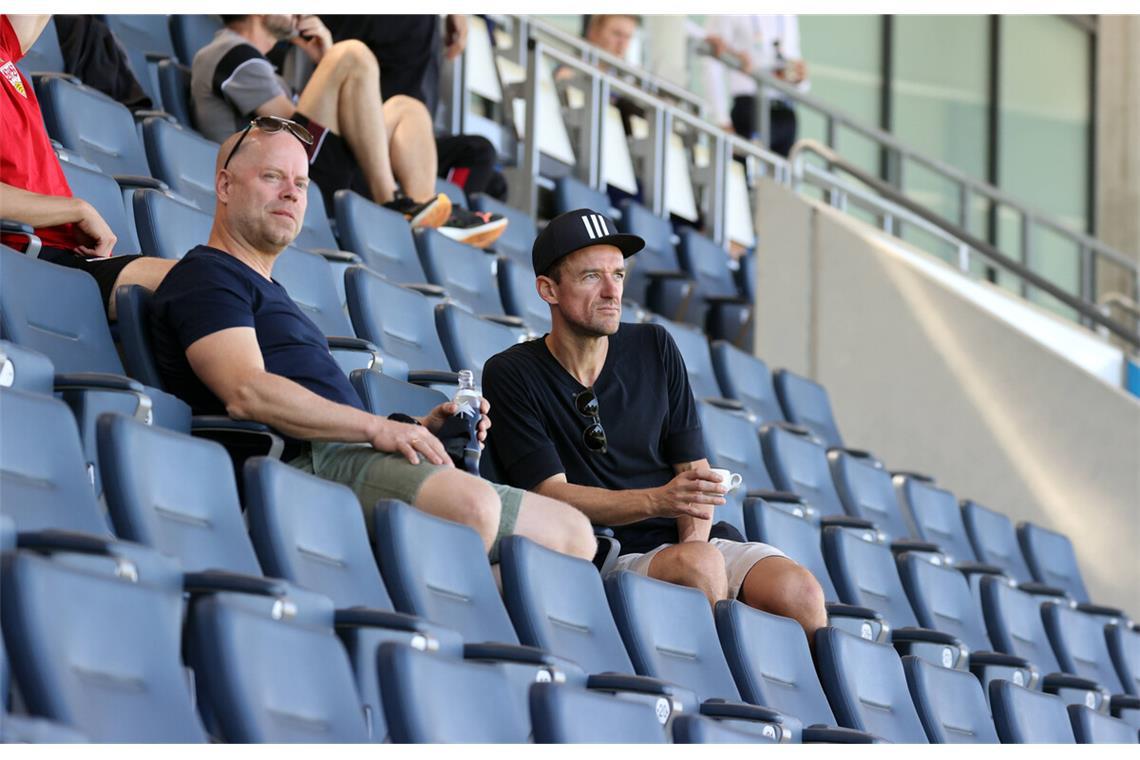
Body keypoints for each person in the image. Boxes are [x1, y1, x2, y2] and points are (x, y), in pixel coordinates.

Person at [148, 118, 597, 566]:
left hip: (346, 456)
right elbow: (247, 392)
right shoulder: (207, 275)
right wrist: (378, 428)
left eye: (302, 184)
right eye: (272, 177)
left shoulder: (273, 294)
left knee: (572, 536)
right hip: (300, 465)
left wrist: (419, 427)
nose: (292, 192)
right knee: (471, 508)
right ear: (225, 186)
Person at [481, 208, 827, 640]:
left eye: (619, 275)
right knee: (701, 567)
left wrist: (693, 542)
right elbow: (549, 494)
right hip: (600, 550)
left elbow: (692, 473)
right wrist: (659, 503)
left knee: (801, 592)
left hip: (690, 542)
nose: (612, 291)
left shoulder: (654, 345)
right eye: (592, 277)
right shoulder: (511, 372)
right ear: (548, 289)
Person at [190, 14, 464, 236]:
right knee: (352, 54)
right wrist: (333, 63)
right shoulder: (230, 51)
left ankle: (422, 220)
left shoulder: (265, 68)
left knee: (408, 109)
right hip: (274, 179)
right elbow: (287, 132)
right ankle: (391, 204)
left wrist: (325, 60)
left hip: (305, 169)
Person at [0, 13, 173, 320]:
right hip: (30, 257)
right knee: (207, 280)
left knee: (234, 285)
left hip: (67, 255)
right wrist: (76, 209)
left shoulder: (4, 49)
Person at [320, 14, 509, 245]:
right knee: (405, 104)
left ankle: (434, 212)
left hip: (401, 134)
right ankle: (424, 217)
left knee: (487, 165)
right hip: (359, 136)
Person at [702, 15, 809, 157]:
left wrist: (800, 80)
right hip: (749, 109)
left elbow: (795, 63)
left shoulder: (788, 15)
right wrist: (721, 119)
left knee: (782, 177)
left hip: (785, 112)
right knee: (743, 173)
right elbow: (711, 60)